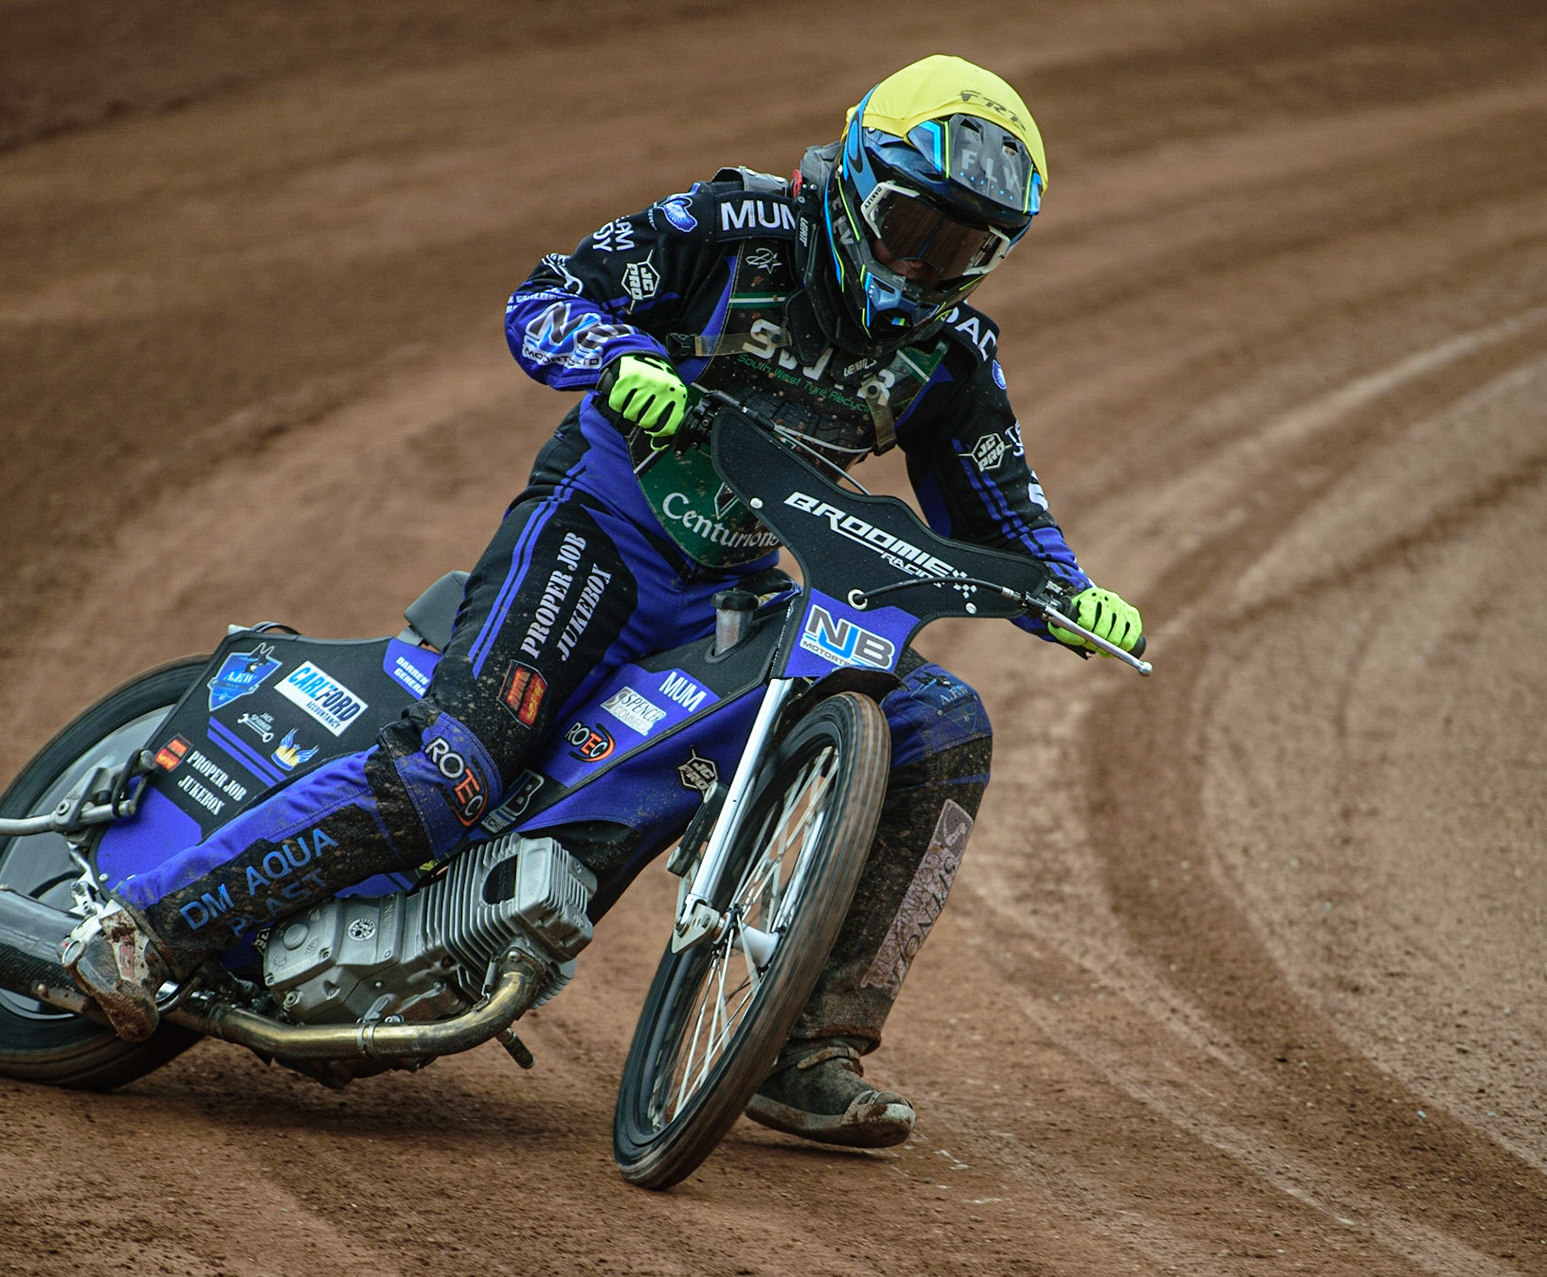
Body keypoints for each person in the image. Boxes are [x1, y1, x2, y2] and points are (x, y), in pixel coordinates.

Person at [61, 53, 1143, 1148]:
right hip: (598, 537)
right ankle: (148, 929)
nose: (924, 264)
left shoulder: (951, 355)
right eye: (914, 222)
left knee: (942, 723)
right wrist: (620, 356)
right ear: (859, 178)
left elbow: (999, 501)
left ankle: (809, 1044)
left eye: (964, 246)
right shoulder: (732, 223)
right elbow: (550, 293)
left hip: (734, 595)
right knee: (456, 773)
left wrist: (1070, 589)